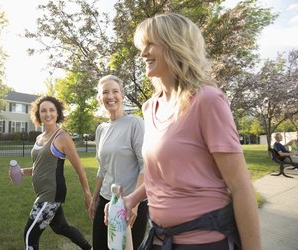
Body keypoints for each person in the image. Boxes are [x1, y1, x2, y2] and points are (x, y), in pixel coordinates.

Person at [105, 13, 261, 250]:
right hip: (160, 238)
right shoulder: (150, 107)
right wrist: (131, 200)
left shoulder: (207, 100)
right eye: (141, 46)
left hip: (204, 241)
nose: (143, 53)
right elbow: (162, 174)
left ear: (175, 44)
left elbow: (240, 186)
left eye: (149, 44)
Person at [19, 96, 92, 250]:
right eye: (43, 110)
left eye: (52, 110)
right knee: (61, 228)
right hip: (43, 193)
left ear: (58, 113)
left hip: (51, 194)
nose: (48, 114)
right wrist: (23, 172)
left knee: (30, 235)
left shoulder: (62, 138)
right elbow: (40, 167)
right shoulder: (39, 138)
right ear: (38, 115)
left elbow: (79, 169)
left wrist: (87, 194)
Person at [89, 75, 148, 249]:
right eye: (105, 92)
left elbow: (145, 165)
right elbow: (102, 168)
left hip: (130, 203)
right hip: (105, 201)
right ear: (100, 99)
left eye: (115, 91)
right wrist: (94, 200)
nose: (110, 96)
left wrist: (135, 204)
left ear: (122, 95)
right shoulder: (101, 129)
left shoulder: (135, 124)